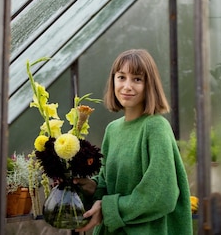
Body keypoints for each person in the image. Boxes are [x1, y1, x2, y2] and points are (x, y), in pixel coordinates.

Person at [75, 48, 193, 234]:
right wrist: (91, 187)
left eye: (137, 79)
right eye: (121, 77)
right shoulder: (112, 130)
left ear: (149, 85)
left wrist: (107, 208)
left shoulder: (155, 127)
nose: (127, 86)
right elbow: (110, 184)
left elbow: (161, 195)